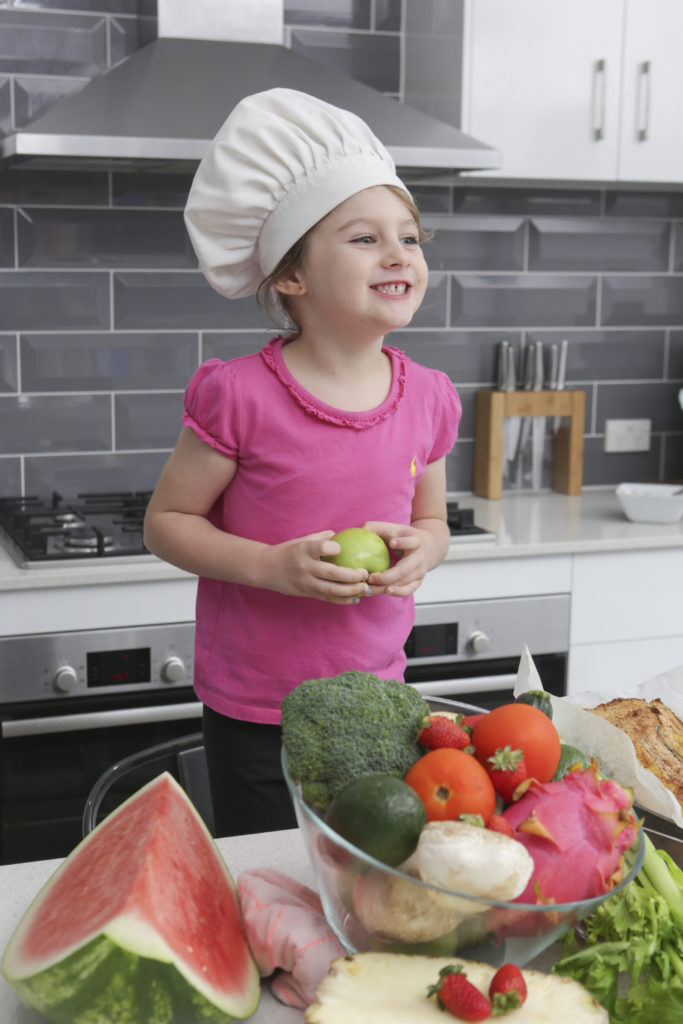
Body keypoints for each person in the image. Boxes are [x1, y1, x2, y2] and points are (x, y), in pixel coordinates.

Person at [143, 88, 462, 837]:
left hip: (380, 698)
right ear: (292, 276)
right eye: (363, 239)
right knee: (268, 880)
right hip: (256, 709)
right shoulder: (240, 395)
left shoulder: (432, 398)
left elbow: (433, 520)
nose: (397, 255)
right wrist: (270, 567)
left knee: (366, 880)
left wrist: (428, 551)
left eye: (409, 238)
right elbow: (166, 523)